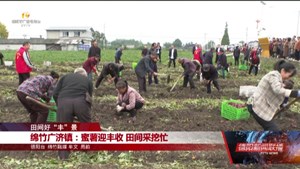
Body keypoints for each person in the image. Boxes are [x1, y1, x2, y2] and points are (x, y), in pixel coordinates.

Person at [247, 60, 299, 131]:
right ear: (283, 71)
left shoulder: (278, 78)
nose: (289, 78)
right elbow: (277, 90)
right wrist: (296, 93)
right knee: (274, 130)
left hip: (261, 107)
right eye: (289, 75)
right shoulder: (273, 75)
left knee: (269, 129)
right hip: (257, 106)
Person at [53, 68, 93, 160]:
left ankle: (63, 156)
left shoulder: (65, 77)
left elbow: (55, 94)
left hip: (64, 102)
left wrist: (60, 107)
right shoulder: (88, 80)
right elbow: (89, 97)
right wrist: (85, 113)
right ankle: (85, 150)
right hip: (81, 102)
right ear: (84, 75)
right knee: (86, 125)